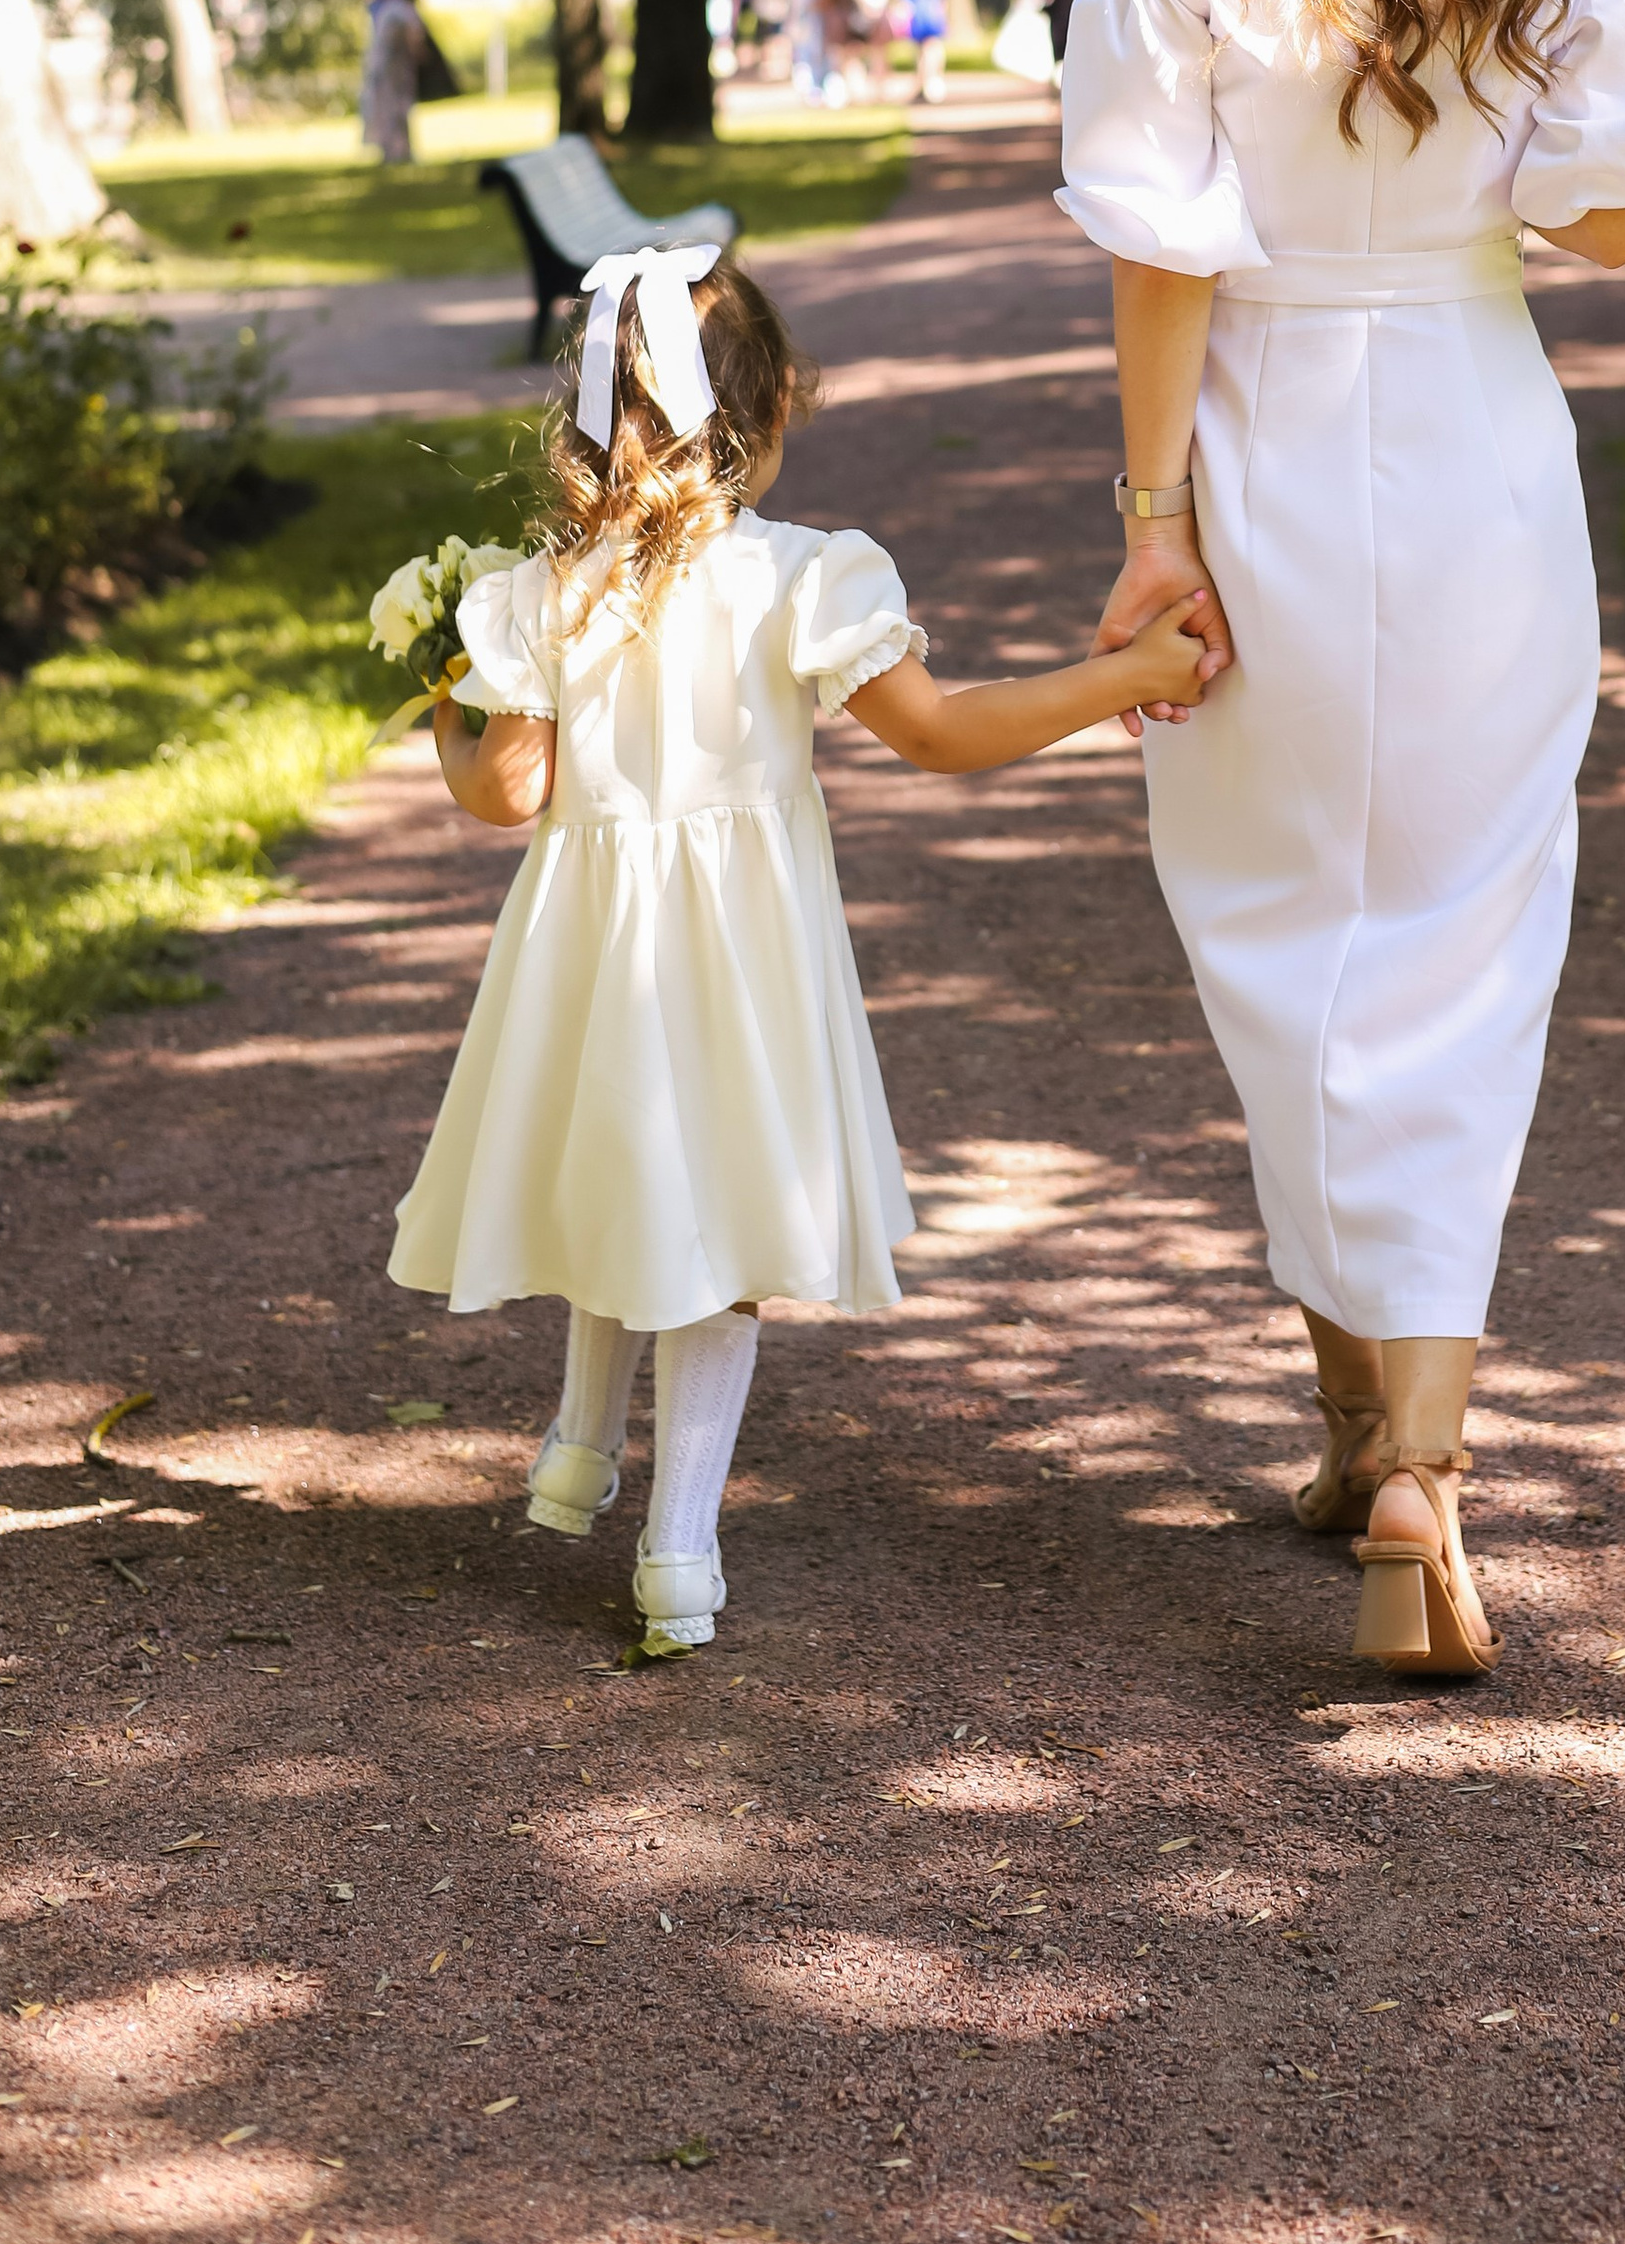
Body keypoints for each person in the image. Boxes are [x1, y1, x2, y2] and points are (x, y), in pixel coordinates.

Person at [1058, 0, 1625, 1677]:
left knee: (1275, 933)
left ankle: (1355, 1423)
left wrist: (1152, 531)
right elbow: (1606, 225)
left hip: (1252, 443)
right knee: (1462, 930)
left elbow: (1166, 247)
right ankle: (1412, 1464)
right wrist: (1457, 164)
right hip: (1466, 438)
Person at [389, 245, 1208, 1655]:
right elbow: (944, 733)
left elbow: (506, 795)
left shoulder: (541, 593)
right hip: (740, 963)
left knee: (617, 1183)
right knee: (717, 1233)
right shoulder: (799, 580)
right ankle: (678, 1555)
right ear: (764, 423)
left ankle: (582, 1451)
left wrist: (445, 705)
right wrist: (1126, 679)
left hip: (590, 954)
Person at [360, 0, 426, 166]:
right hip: (383, 66)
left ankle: (400, 151)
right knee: (384, 108)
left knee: (397, 109)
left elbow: (413, 34)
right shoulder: (384, 7)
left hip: (396, 67)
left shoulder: (398, 8)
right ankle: (390, 151)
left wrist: (417, 54)